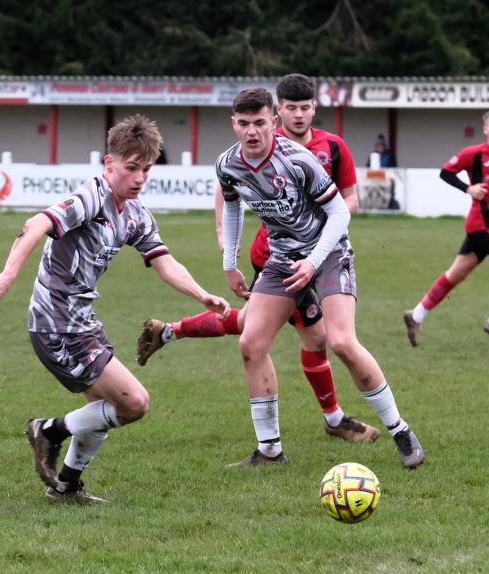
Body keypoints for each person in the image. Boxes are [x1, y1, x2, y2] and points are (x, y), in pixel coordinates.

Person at [0, 115, 230, 504]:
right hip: (56, 323)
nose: (140, 177)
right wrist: (8, 274)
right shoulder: (92, 197)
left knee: (103, 408)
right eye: (131, 168)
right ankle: (49, 431)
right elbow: (37, 222)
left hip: (82, 320)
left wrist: (201, 295)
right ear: (109, 164)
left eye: (146, 169)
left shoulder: (136, 213)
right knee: (134, 403)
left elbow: (164, 262)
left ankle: (66, 487)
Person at [136, 73, 381, 444]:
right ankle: (333, 419)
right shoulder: (255, 147)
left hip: (318, 251)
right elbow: (228, 191)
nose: (298, 115)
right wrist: (225, 243)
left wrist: (326, 231)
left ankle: (170, 331)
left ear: (312, 109)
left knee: (252, 325)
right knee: (312, 336)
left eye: (304, 108)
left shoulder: (331, 148)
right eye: (291, 108)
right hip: (274, 256)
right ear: (279, 111)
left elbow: (348, 200)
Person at [212, 87, 424, 468]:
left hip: (327, 253)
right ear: (234, 124)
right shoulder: (227, 164)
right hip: (281, 260)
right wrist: (230, 261)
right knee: (250, 344)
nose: (252, 132)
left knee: (341, 342)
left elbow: (340, 213)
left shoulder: (297, 158)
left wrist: (312, 260)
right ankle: (270, 451)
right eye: (243, 124)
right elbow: (231, 208)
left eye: (259, 123)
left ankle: (400, 431)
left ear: (272, 122)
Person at [403, 108, 489, 346]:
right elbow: (445, 172)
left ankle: (416, 315)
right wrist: (468, 189)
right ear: (486, 129)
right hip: (483, 223)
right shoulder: (474, 154)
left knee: (454, 276)